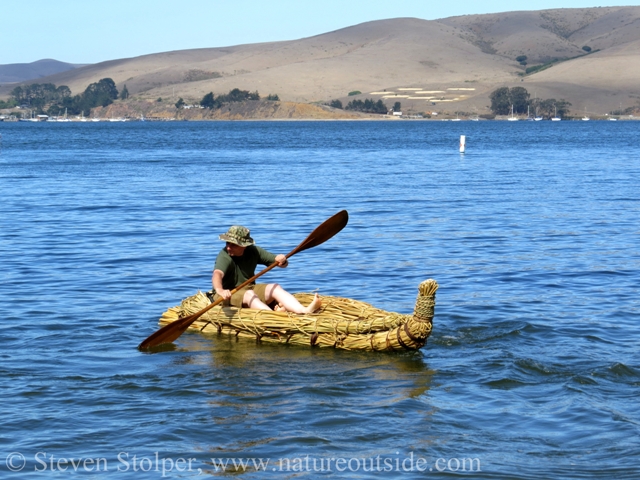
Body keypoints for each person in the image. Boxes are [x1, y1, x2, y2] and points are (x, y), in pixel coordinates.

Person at [211, 225, 321, 313]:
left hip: (248, 288)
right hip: (227, 294)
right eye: (227, 243)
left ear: (244, 245)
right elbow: (217, 274)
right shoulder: (225, 255)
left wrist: (282, 260)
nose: (228, 247)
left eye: (233, 245)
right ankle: (273, 317)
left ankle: (303, 310)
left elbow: (280, 263)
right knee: (250, 295)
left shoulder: (253, 251)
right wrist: (220, 290)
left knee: (275, 287)